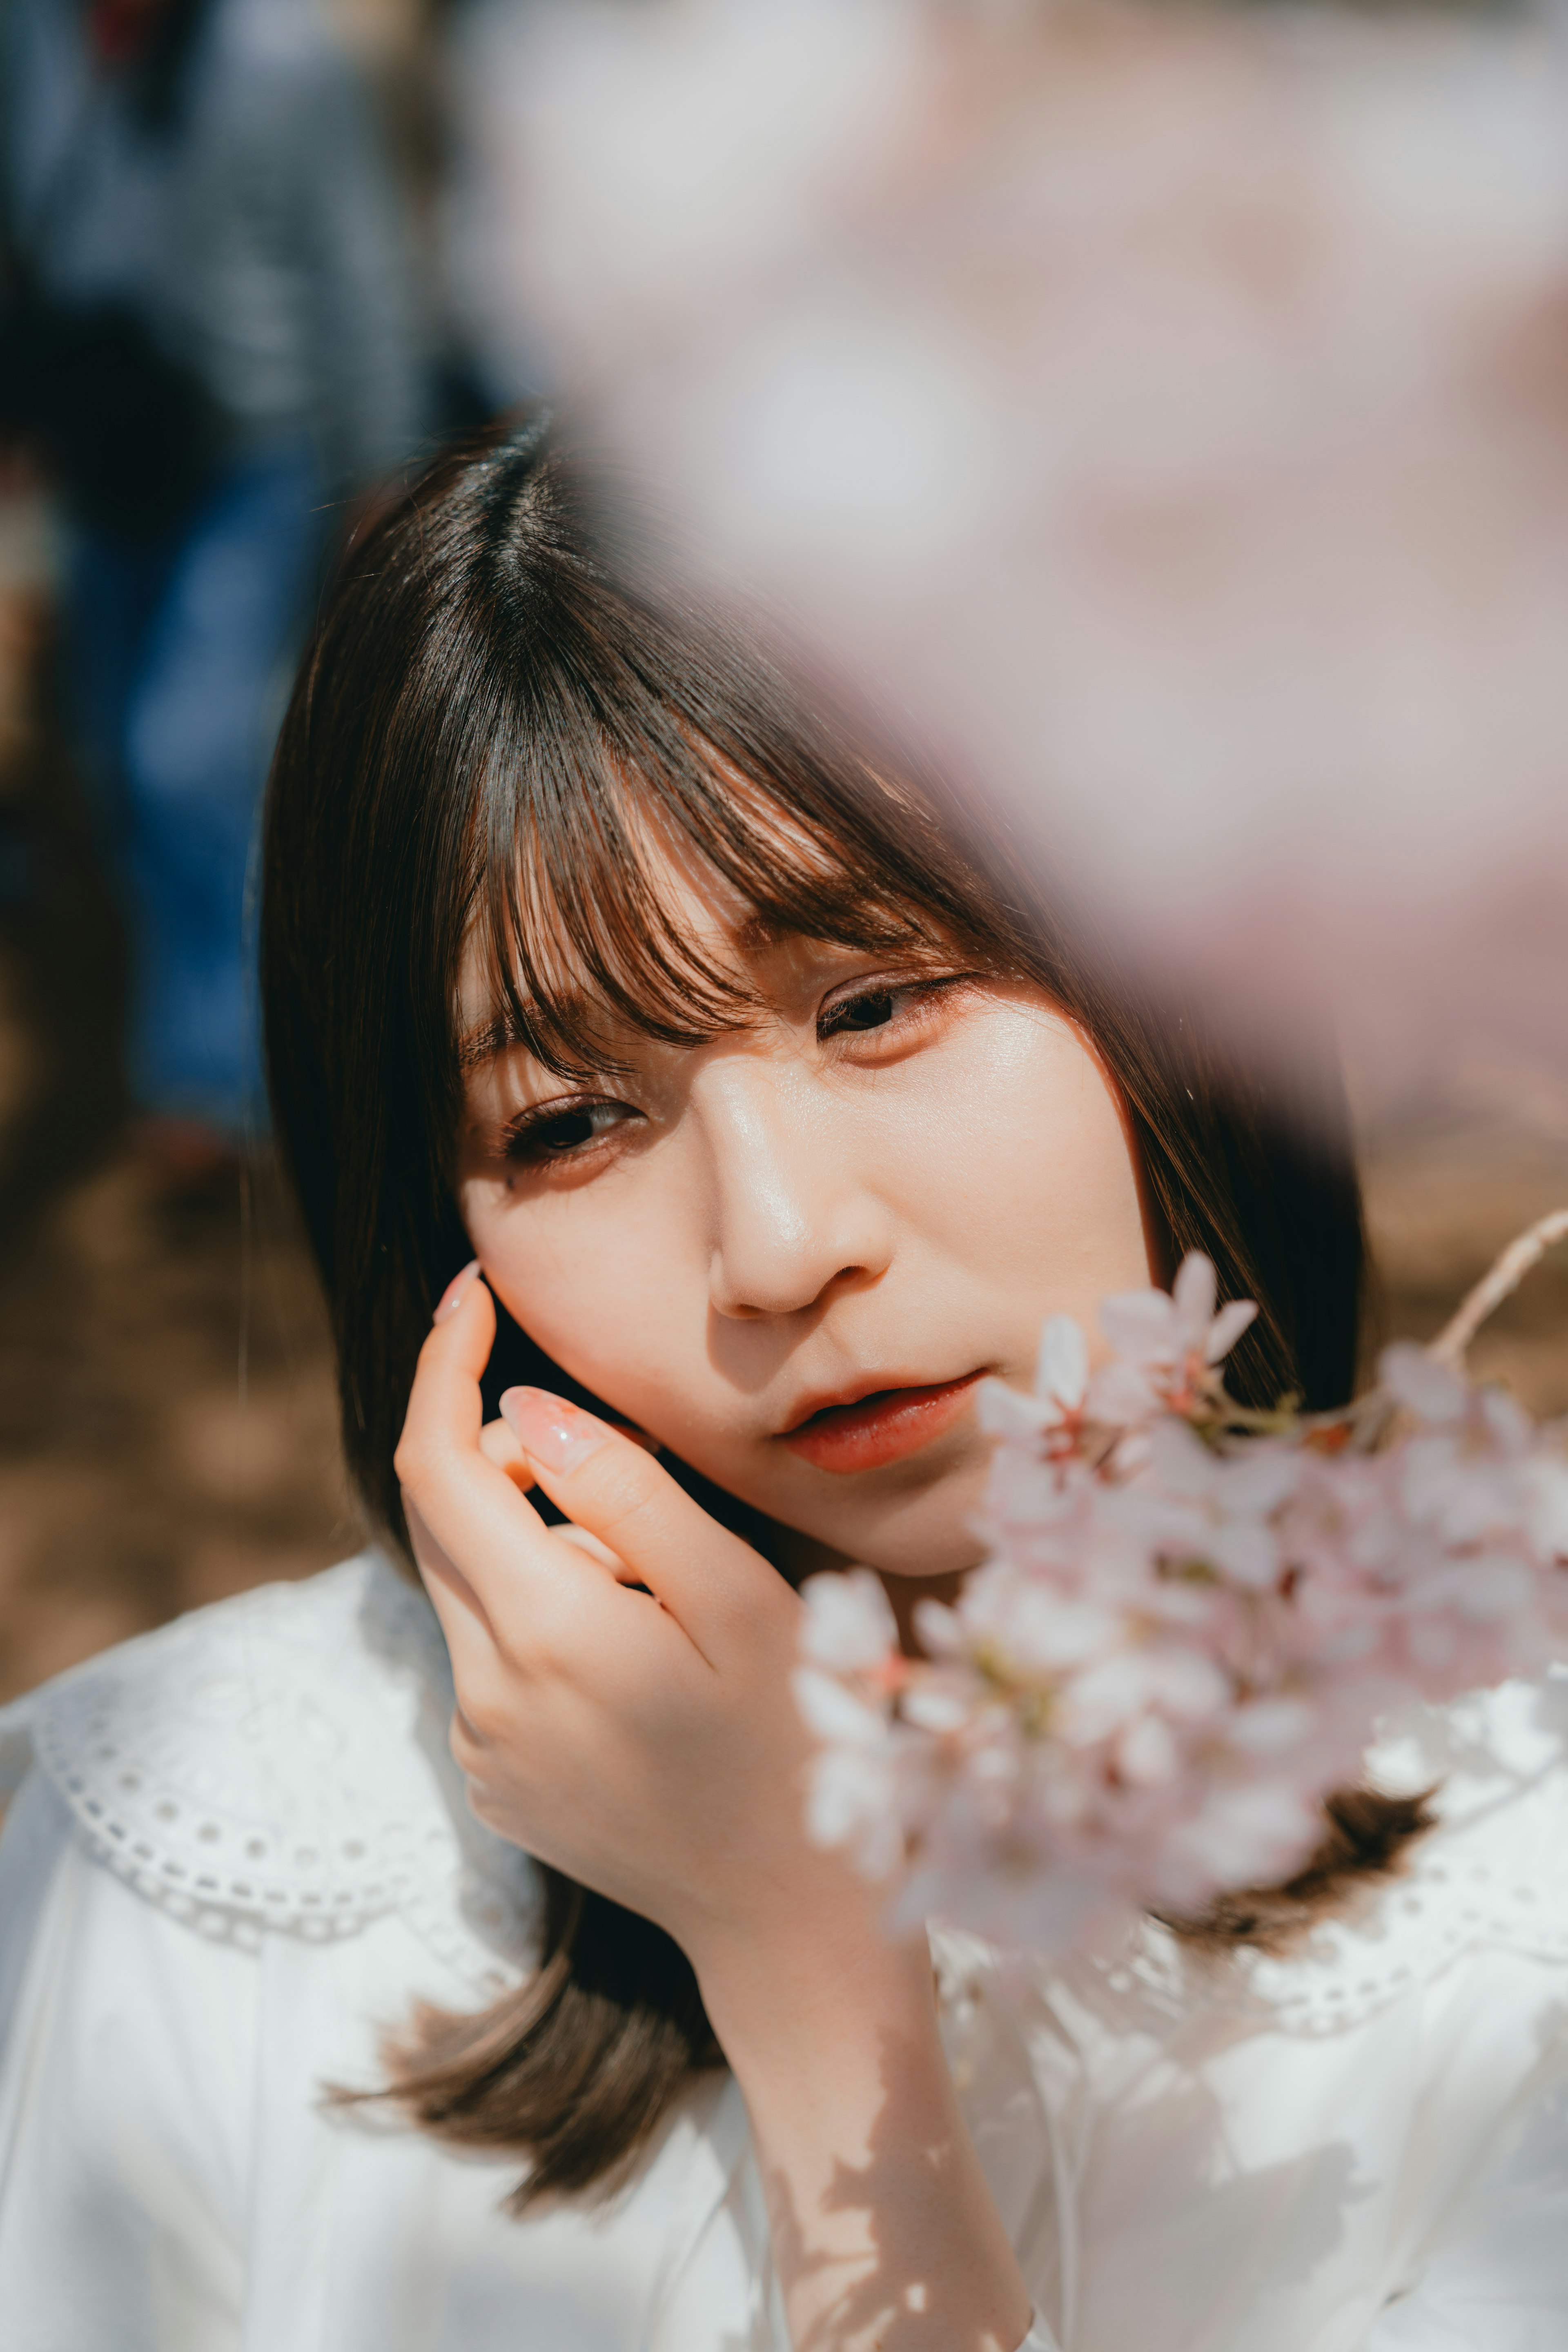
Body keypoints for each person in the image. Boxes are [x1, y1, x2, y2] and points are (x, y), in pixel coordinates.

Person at [1, 418, 1565, 2350]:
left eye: (877, 1004)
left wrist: (813, 1993)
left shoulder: (1526, 1894)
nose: (776, 1244)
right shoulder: (190, 1855)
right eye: (569, 1119)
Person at [0, 0, 426, 1165]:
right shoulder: (31, 40)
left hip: (252, 453)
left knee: (187, 753)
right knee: (111, 762)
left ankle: (227, 1078)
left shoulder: (288, 60)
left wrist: (383, 472)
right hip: (105, 449)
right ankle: (189, 1044)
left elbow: (360, 261)